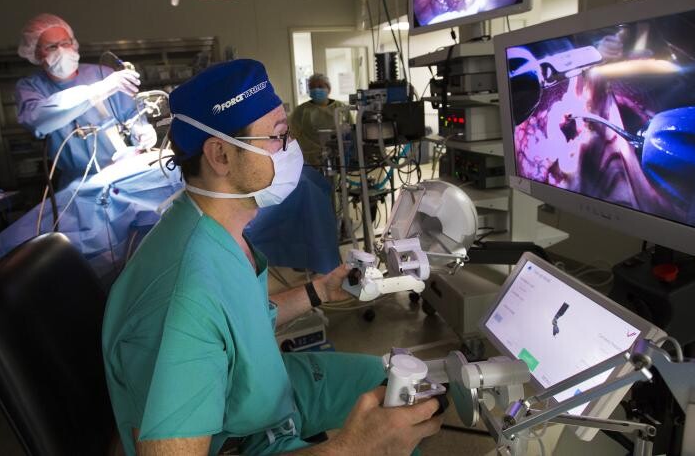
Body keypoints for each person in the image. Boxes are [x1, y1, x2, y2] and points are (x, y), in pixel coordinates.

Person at [103, 60, 442, 455]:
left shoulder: (211, 228)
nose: (290, 149)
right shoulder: (185, 297)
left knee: (392, 387)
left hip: (261, 393)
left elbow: (236, 320)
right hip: (238, 440)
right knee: (389, 426)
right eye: (278, 137)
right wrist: (351, 449)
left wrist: (317, 291)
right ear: (221, 156)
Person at [15, 13, 157, 185]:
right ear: (36, 54)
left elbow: (131, 112)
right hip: (78, 182)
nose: (61, 50)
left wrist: (141, 129)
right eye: (51, 47)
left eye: (65, 43)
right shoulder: (31, 87)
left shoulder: (102, 73)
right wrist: (98, 90)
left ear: (74, 45)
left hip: (124, 170)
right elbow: (39, 120)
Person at [289, 73, 350, 167]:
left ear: (328, 89)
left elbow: (351, 130)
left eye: (320, 86)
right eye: (312, 87)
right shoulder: (301, 110)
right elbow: (292, 134)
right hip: (309, 159)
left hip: (337, 157)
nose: (316, 90)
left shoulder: (340, 108)